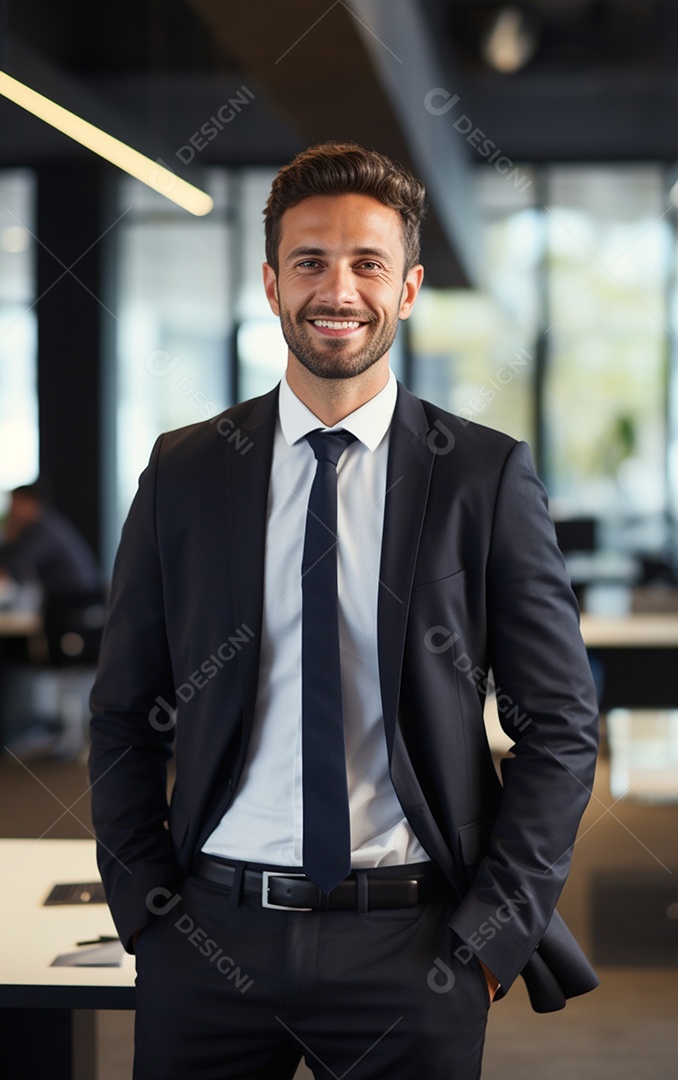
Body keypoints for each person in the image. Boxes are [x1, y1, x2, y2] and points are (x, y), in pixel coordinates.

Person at [89, 142, 600, 1080]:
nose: (339, 289)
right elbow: (125, 711)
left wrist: (491, 939)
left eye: (368, 263)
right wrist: (147, 910)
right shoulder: (187, 471)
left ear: (406, 289)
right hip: (209, 944)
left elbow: (562, 727)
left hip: (413, 949)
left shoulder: (480, 477)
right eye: (311, 261)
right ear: (272, 282)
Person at [0, 481, 101, 600]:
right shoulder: (48, 522)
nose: (12, 510)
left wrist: (10, 534)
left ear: (30, 502)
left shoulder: (44, 529)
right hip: (72, 596)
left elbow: (17, 564)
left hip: (77, 600)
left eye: (16, 503)